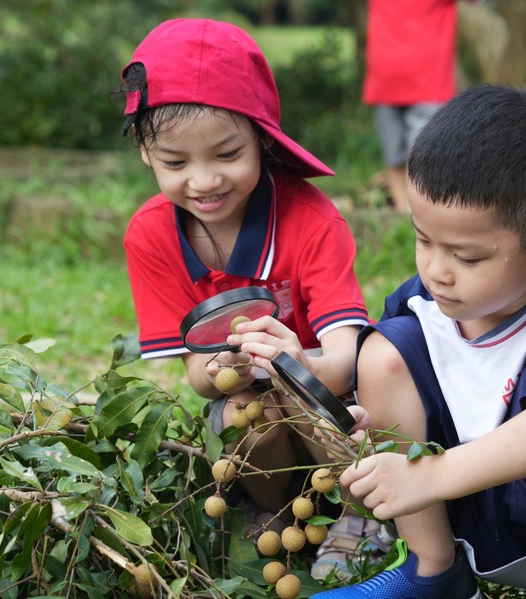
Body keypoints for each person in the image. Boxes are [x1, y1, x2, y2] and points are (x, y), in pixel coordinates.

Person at [312, 85, 526, 599]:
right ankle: (433, 569)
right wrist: (336, 398)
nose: (437, 271)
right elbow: (378, 394)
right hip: (472, 519)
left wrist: (431, 477)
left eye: (467, 257)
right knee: (383, 353)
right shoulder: (420, 302)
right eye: (423, 240)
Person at [118, 18, 374, 560]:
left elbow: (345, 361)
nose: (204, 181)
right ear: (145, 150)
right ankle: (271, 513)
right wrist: (224, 367)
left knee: (300, 395)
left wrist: (290, 365)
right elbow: (198, 377)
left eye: (228, 155)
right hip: (254, 412)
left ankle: (358, 518)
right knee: (242, 411)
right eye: (175, 162)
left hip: (330, 403)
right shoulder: (150, 235)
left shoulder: (311, 220)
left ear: (261, 138)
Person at [362, 0, 458, 214]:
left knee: (395, 157)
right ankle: (416, 218)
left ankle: (404, 213)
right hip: (427, 79)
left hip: (385, 75)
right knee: (423, 159)